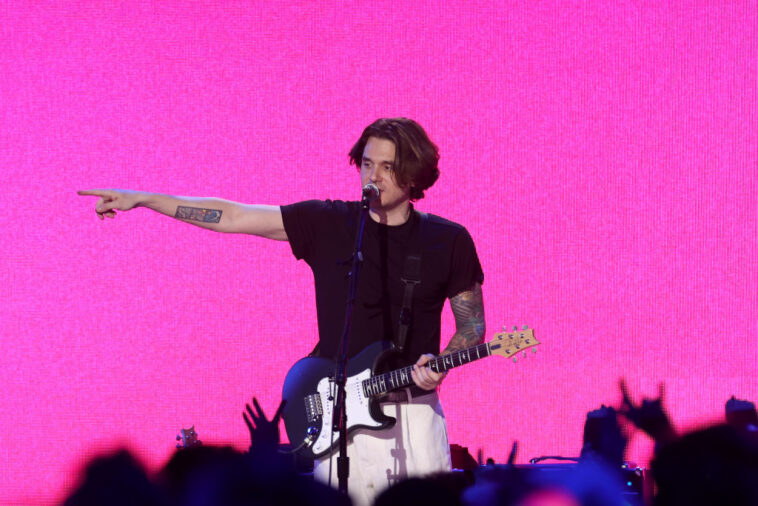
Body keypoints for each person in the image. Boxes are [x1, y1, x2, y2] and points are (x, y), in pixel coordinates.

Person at [79, 117, 485, 506]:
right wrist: (145, 200)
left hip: (413, 415)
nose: (372, 177)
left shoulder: (447, 240)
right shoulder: (329, 223)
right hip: (341, 419)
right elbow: (233, 215)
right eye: (365, 164)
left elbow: (472, 327)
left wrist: (441, 365)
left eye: (386, 167)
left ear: (414, 174)